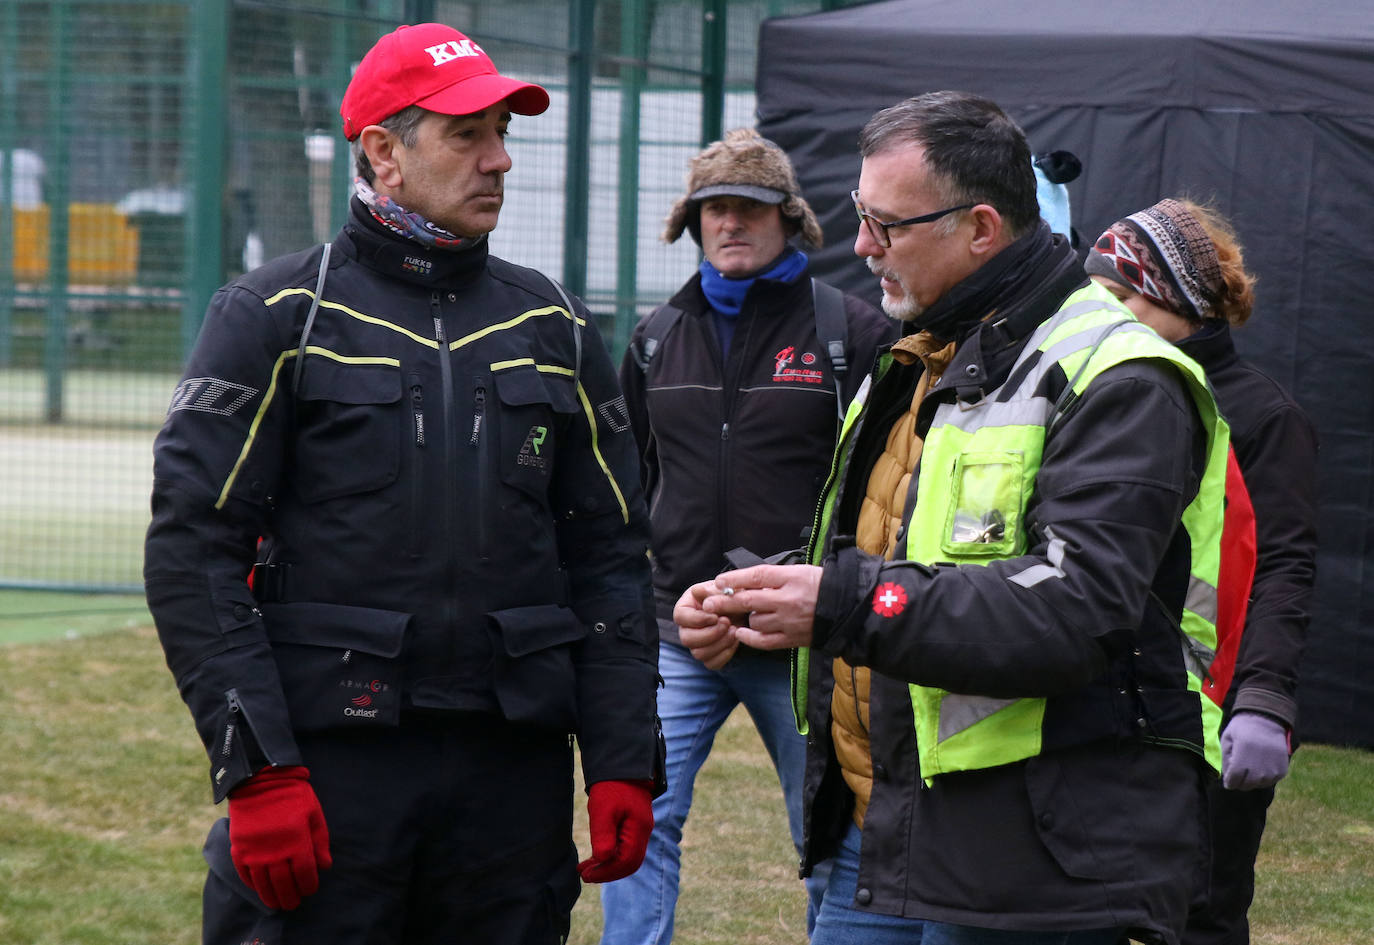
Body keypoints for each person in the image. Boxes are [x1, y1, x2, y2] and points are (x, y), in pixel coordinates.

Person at [143, 22, 663, 945]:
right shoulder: (273, 317)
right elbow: (194, 549)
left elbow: (610, 554)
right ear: (383, 151)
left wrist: (624, 757)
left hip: (511, 781)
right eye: (469, 135)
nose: (499, 159)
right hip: (329, 773)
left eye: (504, 132)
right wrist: (257, 768)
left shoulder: (556, 324)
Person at [674, 90, 1232, 945]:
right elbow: (897, 543)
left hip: (1035, 859)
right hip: (884, 825)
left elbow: (1075, 612)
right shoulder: (922, 350)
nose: (861, 247)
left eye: (886, 225)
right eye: (862, 217)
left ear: (979, 228)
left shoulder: (1119, 375)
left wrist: (837, 603)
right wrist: (761, 592)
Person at [600, 128, 892, 944]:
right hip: (676, 628)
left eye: (750, 208)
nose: (730, 223)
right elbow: (633, 480)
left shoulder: (852, 335)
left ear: (789, 218)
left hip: (807, 635)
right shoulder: (655, 336)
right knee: (639, 820)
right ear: (692, 221)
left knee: (827, 833)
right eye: (713, 208)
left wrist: (827, 589)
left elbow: (886, 489)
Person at [1086, 198, 1318, 945]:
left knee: (1197, 917)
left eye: (1123, 297)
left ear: (1181, 300)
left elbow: (1283, 562)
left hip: (1211, 717)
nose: (1104, 314)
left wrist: (1265, 696)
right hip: (1105, 699)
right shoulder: (1100, 390)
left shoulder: (1261, 414)